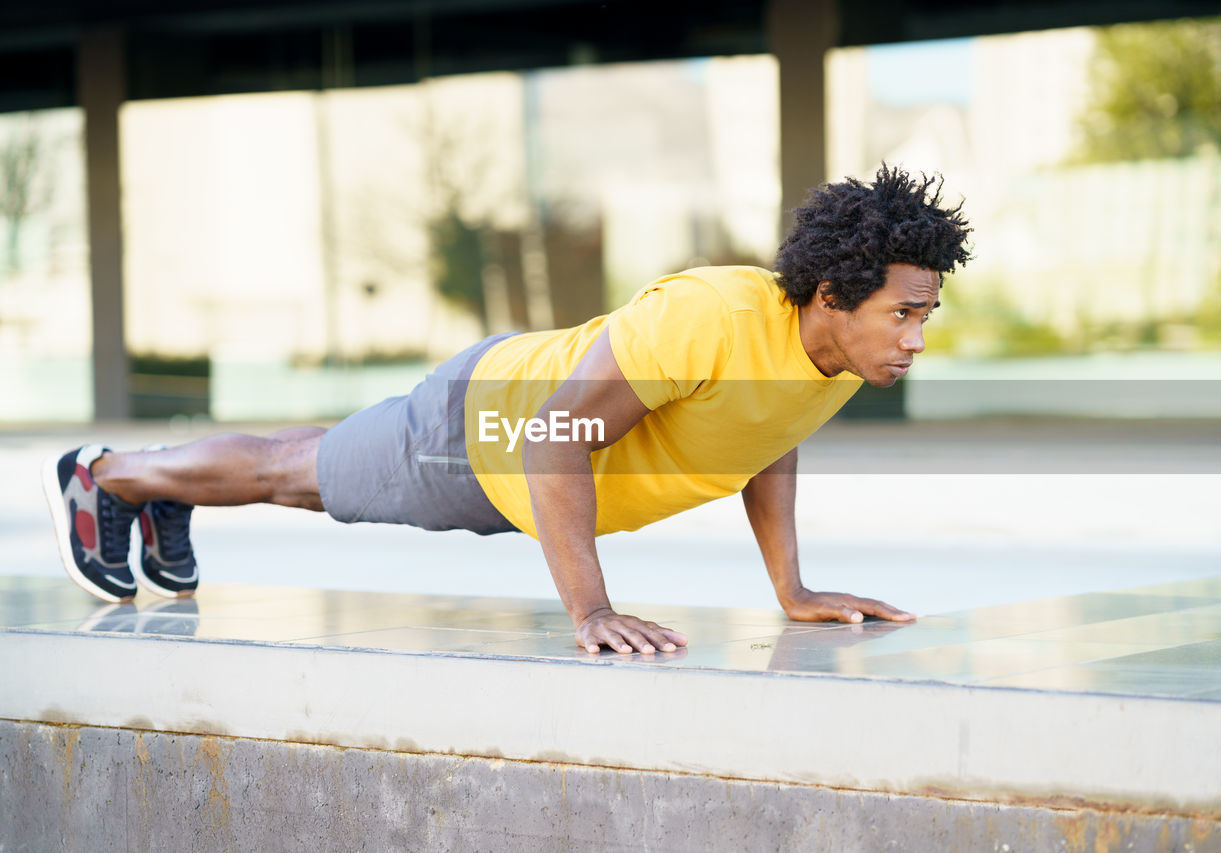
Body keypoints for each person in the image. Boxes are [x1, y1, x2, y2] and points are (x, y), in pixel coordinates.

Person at [43, 164, 971, 655]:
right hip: (486, 435)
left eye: (926, 315)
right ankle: (105, 477)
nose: (916, 339)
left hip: (512, 447)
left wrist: (792, 589)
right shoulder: (711, 315)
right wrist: (592, 610)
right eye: (904, 314)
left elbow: (768, 437)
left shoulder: (837, 354)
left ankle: (162, 485)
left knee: (317, 460)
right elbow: (552, 436)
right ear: (828, 293)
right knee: (301, 475)